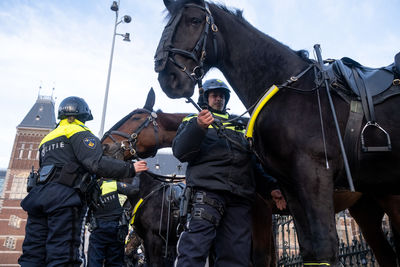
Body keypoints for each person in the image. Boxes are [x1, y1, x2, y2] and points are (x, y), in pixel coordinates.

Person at [18, 96, 148, 267]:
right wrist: (130, 168)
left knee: (34, 253)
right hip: (63, 199)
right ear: (83, 116)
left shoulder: (47, 139)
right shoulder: (78, 132)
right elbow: (96, 163)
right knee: (63, 254)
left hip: (37, 198)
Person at [173, 79, 286, 266]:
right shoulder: (193, 120)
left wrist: (270, 188)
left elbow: (251, 164)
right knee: (193, 251)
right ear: (205, 98)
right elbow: (180, 152)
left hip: (239, 199)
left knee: (237, 257)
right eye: (214, 95)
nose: (218, 98)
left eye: (222, 95)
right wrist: (199, 127)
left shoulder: (241, 125)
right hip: (208, 193)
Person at [87, 178, 141, 267]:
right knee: (115, 262)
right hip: (116, 228)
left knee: (94, 261)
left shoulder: (89, 187)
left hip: (98, 228)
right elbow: (133, 190)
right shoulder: (111, 184)